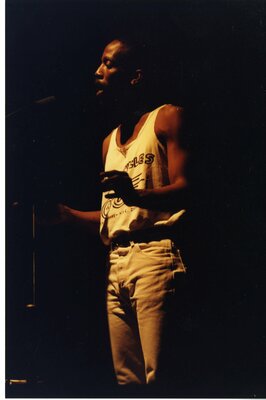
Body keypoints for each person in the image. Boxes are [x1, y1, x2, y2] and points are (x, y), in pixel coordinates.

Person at [47, 37, 190, 388]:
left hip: (155, 257)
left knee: (160, 379)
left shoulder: (167, 118)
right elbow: (116, 213)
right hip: (117, 264)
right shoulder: (108, 141)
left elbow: (188, 190)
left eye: (109, 64)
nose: (98, 71)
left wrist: (134, 193)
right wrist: (68, 214)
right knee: (127, 382)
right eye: (100, 63)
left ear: (135, 76)